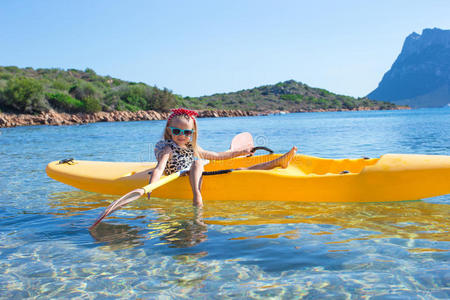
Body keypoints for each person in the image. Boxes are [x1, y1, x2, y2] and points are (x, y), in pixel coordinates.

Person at [148, 108, 297, 207]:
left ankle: (277, 162)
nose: (181, 136)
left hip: (193, 171)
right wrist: (150, 187)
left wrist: (240, 152)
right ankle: (197, 195)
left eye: (187, 133)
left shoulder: (192, 147)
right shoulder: (168, 147)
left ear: (192, 133)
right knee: (205, 164)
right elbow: (159, 168)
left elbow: (217, 156)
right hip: (180, 176)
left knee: (205, 163)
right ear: (169, 130)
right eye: (177, 131)